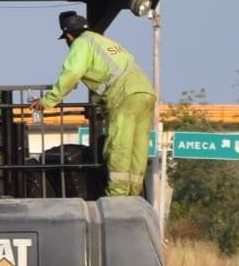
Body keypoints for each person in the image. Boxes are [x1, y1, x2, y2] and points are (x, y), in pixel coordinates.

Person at [33, 11, 157, 197]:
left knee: (119, 145)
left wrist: (48, 101)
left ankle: (118, 196)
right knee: (137, 147)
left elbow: (72, 73)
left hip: (124, 94)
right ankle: (134, 195)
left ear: (68, 36)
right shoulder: (104, 41)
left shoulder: (81, 43)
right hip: (145, 91)